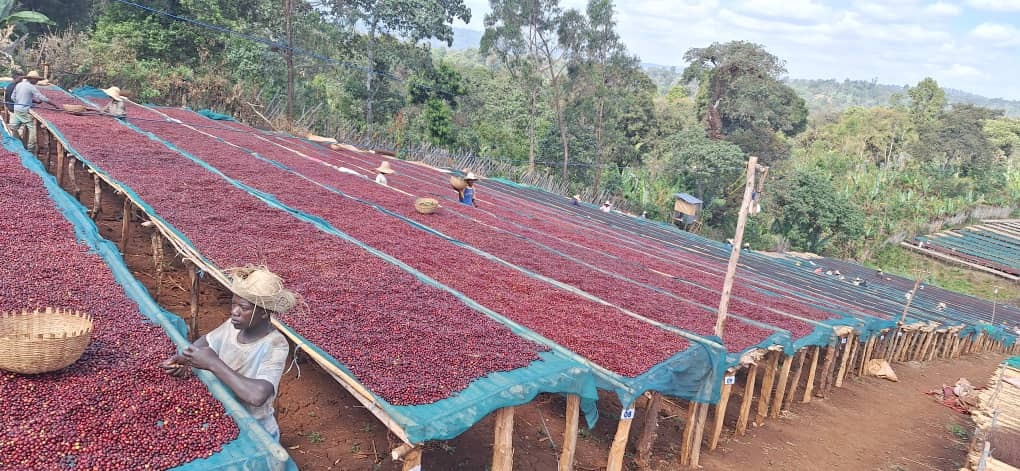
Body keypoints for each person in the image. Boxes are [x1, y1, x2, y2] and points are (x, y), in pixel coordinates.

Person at [160, 266, 295, 441]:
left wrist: (213, 363)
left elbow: (257, 396)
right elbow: (206, 341)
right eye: (233, 304)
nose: (234, 311)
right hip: (223, 412)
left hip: (254, 429)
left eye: (243, 307)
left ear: (263, 312)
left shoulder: (275, 345)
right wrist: (183, 359)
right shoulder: (232, 326)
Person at [10, 70, 51, 152]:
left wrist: (24, 101)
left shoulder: (19, 85)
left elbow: (12, 97)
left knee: (14, 127)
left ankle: (17, 143)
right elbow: (41, 97)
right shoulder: (31, 87)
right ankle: (30, 148)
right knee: (32, 128)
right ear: (31, 79)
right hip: (24, 110)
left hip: (16, 109)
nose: (37, 81)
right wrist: (53, 104)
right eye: (36, 80)